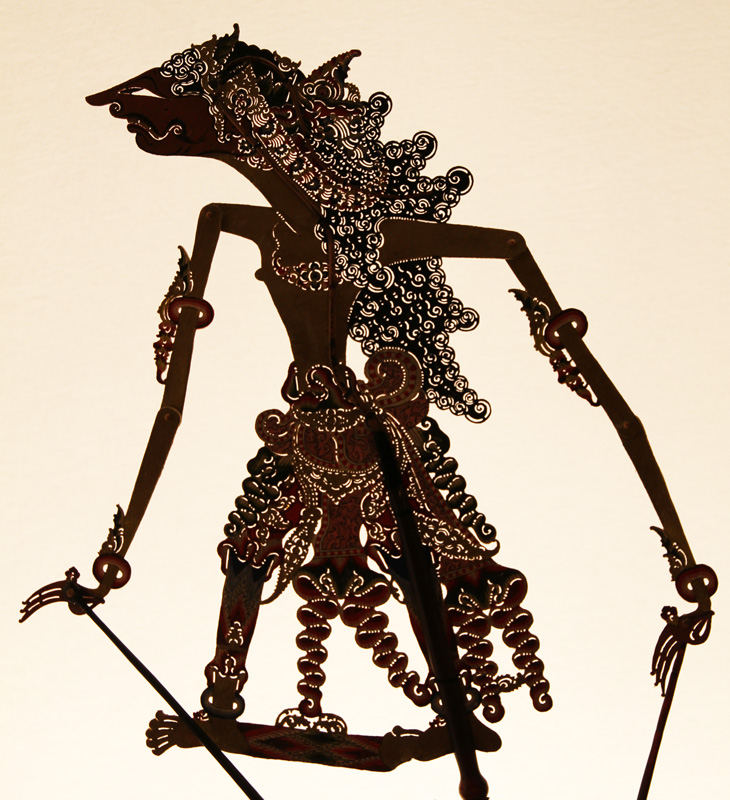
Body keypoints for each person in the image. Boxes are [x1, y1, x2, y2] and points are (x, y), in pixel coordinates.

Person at [85, 25, 552, 772]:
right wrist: (117, 552)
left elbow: (509, 245)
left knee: (409, 563)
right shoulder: (227, 222)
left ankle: (452, 712)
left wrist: (554, 326)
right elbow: (171, 408)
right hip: (297, 434)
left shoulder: (369, 233)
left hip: (373, 438)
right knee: (247, 554)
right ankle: (223, 704)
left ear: (247, 113)